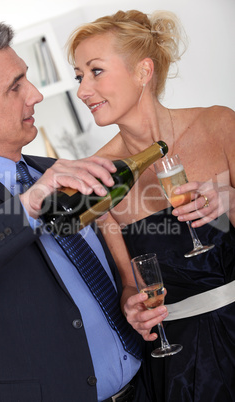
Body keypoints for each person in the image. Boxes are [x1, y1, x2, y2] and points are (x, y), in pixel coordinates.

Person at [0, 23, 168, 402]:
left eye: (29, 79)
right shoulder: (41, 185)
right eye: (16, 86)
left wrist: (128, 297)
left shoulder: (55, 169)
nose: (37, 95)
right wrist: (28, 204)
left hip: (146, 387)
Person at [66, 9, 235, 402]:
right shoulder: (100, 178)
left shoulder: (219, 125)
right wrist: (133, 308)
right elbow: (130, 284)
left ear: (143, 71)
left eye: (95, 71)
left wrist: (230, 201)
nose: (82, 90)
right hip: (179, 365)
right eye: (78, 76)